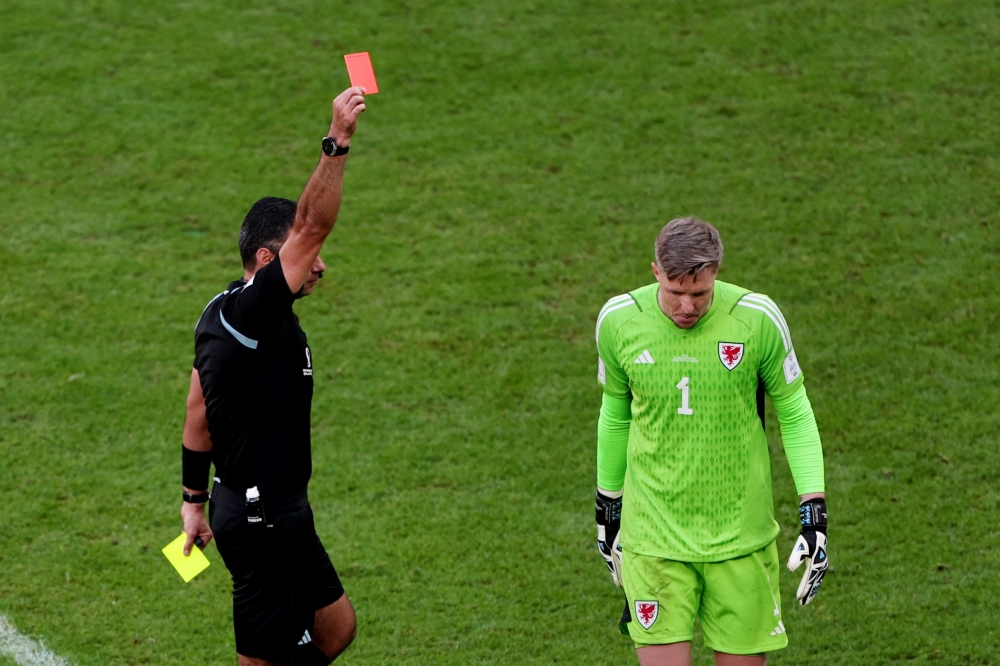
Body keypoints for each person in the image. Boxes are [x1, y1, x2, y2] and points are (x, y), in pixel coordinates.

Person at [178, 86, 368, 666]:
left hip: (279, 509)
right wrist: (336, 143)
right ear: (267, 261)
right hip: (258, 520)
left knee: (335, 629)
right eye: (302, 257)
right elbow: (312, 226)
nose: (320, 264)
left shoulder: (225, 312)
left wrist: (191, 501)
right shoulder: (250, 312)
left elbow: (198, 411)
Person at [593, 218, 828, 666]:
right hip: (654, 542)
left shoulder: (757, 319)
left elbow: (795, 413)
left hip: (740, 540)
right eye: (675, 292)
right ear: (655, 271)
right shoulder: (619, 322)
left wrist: (813, 510)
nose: (687, 306)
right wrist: (608, 505)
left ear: (716, 272)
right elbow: (615, 414)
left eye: (699, 294)